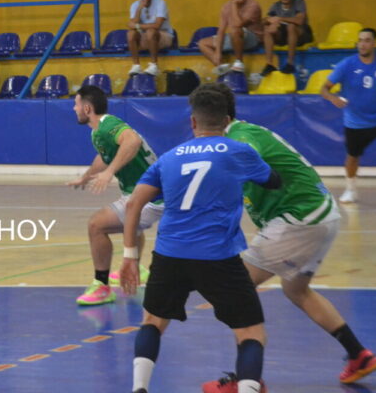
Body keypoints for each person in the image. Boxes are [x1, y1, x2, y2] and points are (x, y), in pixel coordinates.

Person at [201, 82, 376, 384]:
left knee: (236, 288)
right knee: (296, 290)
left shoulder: (239, 137)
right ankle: (358, 354)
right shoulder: (236, 136)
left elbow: (245, 154)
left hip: (301, 218)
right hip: (318, 215)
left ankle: (247, 379)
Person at [120, 87, 281, 393]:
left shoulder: (169, 158)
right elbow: (272, 180)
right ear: (228, 121)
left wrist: (130, 256)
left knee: (152, 321)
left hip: (169, 255)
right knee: (251, 333)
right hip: (218, 257)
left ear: (193, 121)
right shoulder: (239, 151)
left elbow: (133, 205)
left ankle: (139, 388)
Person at [68, 85, 162, 306]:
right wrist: (86, 177)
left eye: (76, 104)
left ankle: (101, 286)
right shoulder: (99, 131)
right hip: (150, 192)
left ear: (87, 108)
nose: (74, 108)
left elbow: (132, 141)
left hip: (150, 197)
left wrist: (110, 172)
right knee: (132, 224)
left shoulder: (107, 125)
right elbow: (104, 157)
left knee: (96, 226)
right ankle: (136, 265)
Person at [320, 28, 376, 203]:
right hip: (356, 121)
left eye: (367, 40)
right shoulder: (346, 65)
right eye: (360, 40)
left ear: (374, 43)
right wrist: (333, 98)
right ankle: (351, 190)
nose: (362, 44)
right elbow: (324, 88)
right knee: (352, 156)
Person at [199, 0, 263, 75]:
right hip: (235, 36)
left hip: (253, 38)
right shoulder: (226, 7)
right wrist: (218, 52)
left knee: (235, 29)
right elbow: (221, 30)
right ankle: (223, 69)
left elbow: (238, 24)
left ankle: (239, 63)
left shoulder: (253, 5)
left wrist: (234, 4)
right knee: (203, 43)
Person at [261, 0, 313, 76]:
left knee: (291, 26)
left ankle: (290, 64)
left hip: (301, 35)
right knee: (268, 29)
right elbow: (264, 21)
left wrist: (280, 18)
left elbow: (299, 21)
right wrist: (271, 22)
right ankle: (269, 64)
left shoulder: (299, 2)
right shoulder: (275, 6)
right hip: (284, 36)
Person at [126, 0, 174, 77]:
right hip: (146, 37)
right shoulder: (135, 5)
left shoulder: (160, 3)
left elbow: (157, 25)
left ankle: (154, 65)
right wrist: (139, 9)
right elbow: (131, 25)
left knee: (150, 32)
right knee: (130, 34)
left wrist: (138, 26)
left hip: (163, 36)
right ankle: (136, 66)